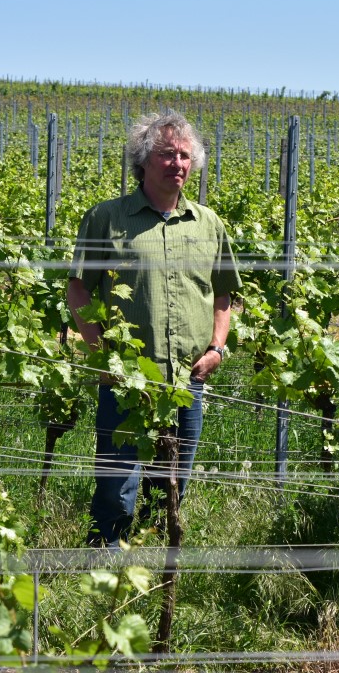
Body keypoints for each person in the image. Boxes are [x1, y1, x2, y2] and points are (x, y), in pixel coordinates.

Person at [68, 110, 242, 548]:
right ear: (142, 161)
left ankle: (157, 555)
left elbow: (224, 294)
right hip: (125, 378)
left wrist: (217, 349)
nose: (177, 163)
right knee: (117, 482)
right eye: (167, 154)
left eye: (184, 155)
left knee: (174, 480)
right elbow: (79, 290)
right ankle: (104, 559)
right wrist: (101, 355)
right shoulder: (107, 219)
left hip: (188, 379)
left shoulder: (209, 224)